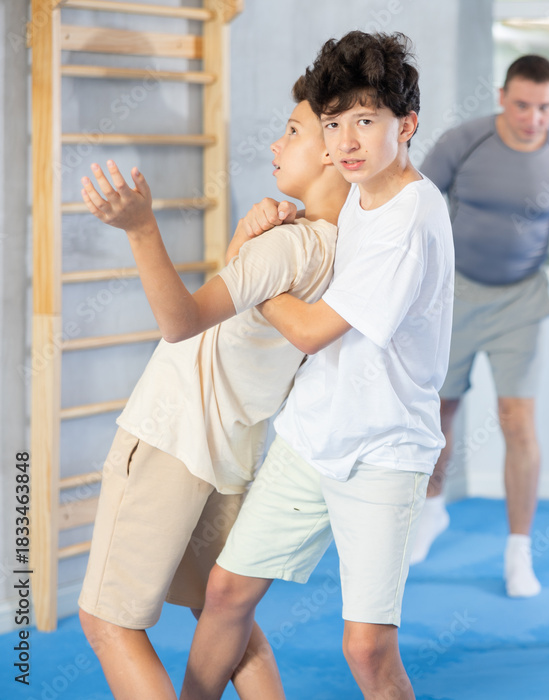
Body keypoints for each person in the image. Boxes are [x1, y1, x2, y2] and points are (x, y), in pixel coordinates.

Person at [179, 31, 453, 700]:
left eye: (366, 119)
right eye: (334, 123)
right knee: (225, 591)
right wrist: (284, 215)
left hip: (384, 451)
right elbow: (324, 224)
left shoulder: (411, 218)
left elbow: (307, 332)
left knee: (365, 648)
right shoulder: (360, 192)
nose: (347, 140)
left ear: (406, 124)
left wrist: (254, 273)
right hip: (312, 435)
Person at [76, 76, 350, 699]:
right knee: (223, 618)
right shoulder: (336, 249)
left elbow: (182, 323)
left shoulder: (289, 244)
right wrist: (243, 243)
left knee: (105, 621)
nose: (276, 144)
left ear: (334, 150)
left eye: (294, 131)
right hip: (230, 455)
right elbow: (240, 330)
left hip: (173, 434)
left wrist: (142, 227)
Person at [415, 55, 549, 596]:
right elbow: (414, 207)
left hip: (521, 301)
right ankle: (432, 510)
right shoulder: (465, 140)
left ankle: (519, 551)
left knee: (517, 422)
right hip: (454, 295)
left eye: (545, 107)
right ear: (503, 97)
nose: (533, 118)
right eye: (523, 105)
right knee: (441, 412)